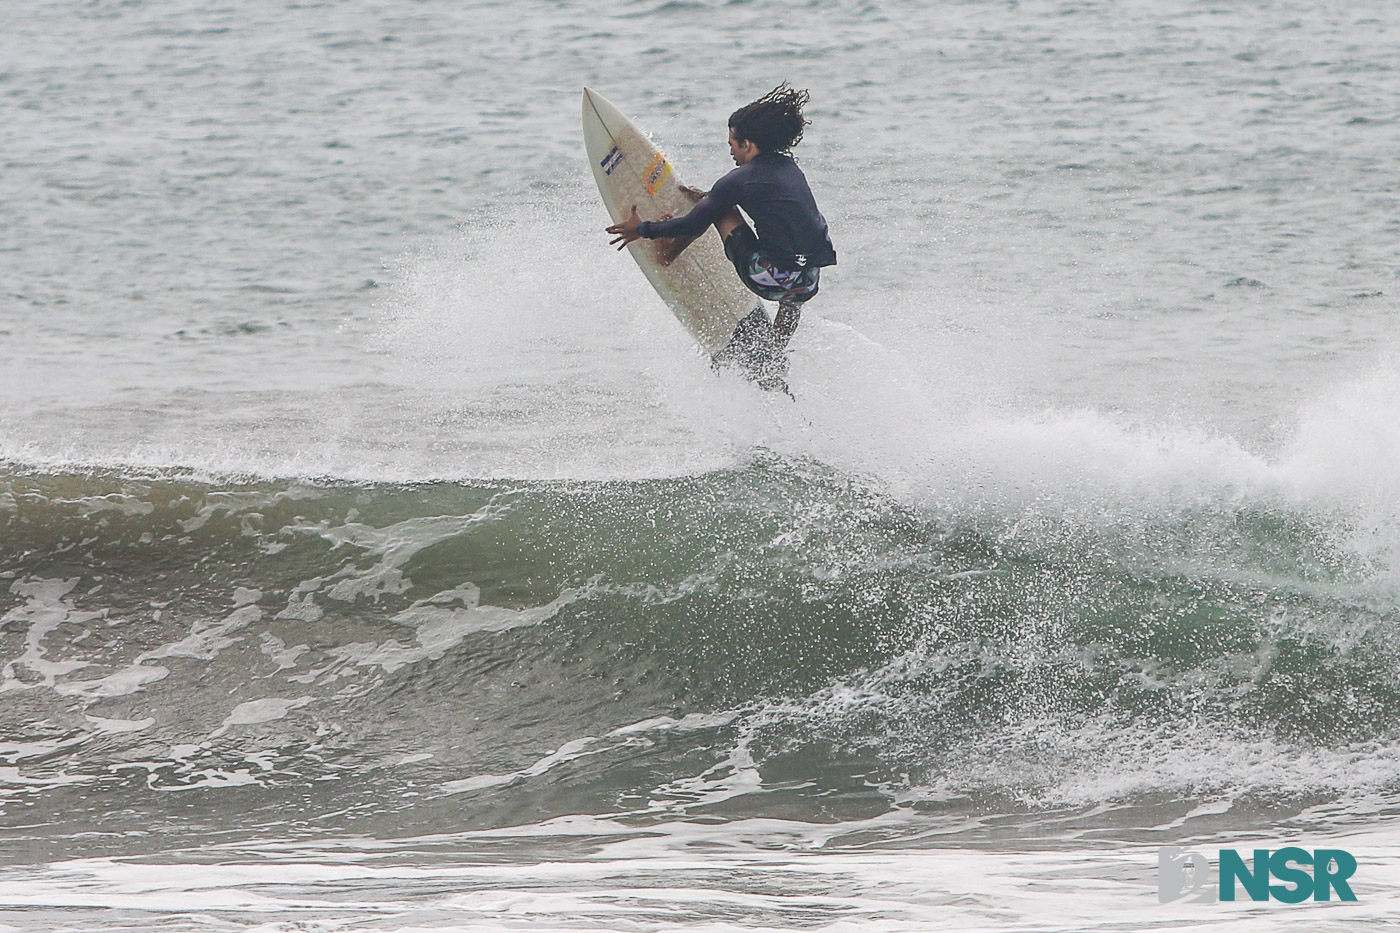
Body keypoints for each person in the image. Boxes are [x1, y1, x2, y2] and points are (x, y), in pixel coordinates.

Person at [605, 84, 836, 391]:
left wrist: (643, 229)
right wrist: (717, 196)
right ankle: (772, 355)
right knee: (793, 267)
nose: (730, 151)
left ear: (748, 144)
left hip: (766, 277)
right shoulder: (789, 168)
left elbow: (690, 224)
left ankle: (667, 253)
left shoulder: (740, 179)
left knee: (713, 209)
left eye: (732, 144)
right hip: (808, 283)